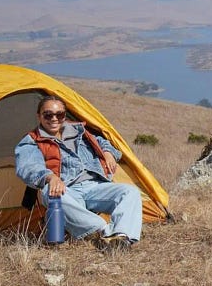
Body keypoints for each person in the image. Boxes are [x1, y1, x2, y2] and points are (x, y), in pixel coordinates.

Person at [15, 95, 143, 252]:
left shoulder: (79, 130)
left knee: (130, 192)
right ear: (39, 116)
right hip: (67, 189)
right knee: (51, 192)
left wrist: (108, 152)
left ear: (64, 115)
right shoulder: (32, 140)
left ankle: (121, 235)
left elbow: (101, 141)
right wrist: (51, 177)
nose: (54, 119)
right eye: (48, 114)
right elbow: (28, 167)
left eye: (59, 114)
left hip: (94, 186)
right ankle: (105, 232)